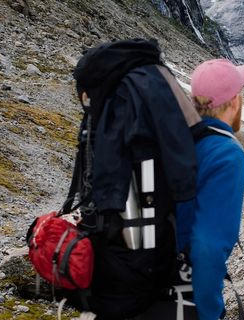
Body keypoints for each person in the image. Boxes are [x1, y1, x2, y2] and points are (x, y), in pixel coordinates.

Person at [70, 39, 204, 319]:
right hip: (146, 228)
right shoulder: (154, 81)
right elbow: (185, 157)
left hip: (117, 225)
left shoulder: (121, 86)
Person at [175, 58, 244, 319]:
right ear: (234, 102)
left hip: (144, 280)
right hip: (183, 293)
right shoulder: (226, 153)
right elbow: (207, 246)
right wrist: (209, 313)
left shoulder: (175, 137)